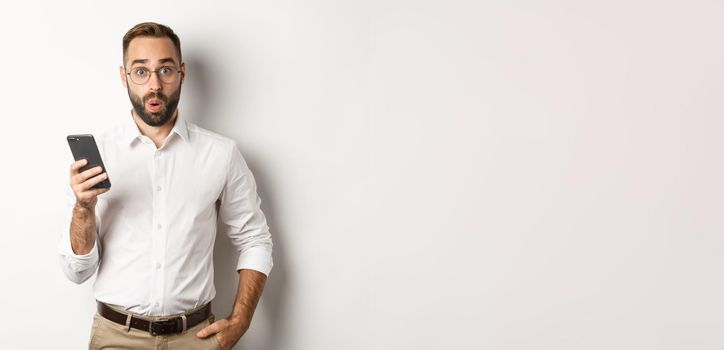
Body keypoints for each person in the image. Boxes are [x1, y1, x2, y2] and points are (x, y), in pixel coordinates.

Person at [58, 22, 273, 350]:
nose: (154, 85)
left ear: (182, 73)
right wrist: (83, 208)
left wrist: (240, 321)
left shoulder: (221, 154)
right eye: (141, 71)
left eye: (166, 70)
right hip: (116, 338)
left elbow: (255, 239)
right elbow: (77, 272)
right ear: (124, 76)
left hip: (196, 338)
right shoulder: (100, 155)